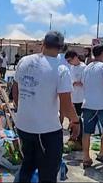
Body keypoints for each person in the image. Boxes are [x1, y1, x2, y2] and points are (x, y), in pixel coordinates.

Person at [12, 31, 80, 183]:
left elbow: (15, 89)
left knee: (27, 165)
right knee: (48, 173)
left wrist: (22, 109)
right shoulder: (61, 69)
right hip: (45, 131)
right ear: (61, 48)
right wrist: (75, 121)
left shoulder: (24, 61)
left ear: (43, 43)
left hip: (23, 126)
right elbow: (66, 103)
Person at [65, 50, 86, 148]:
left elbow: (85, 83)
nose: (69, 63)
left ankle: (80, 140)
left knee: (79, 120)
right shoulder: (71, 67)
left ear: (75, 57)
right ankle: (72, 138)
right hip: (72, 97)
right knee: (72, 120)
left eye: (70, 60)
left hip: (80, 98)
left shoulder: (84, 68)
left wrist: (75, 83)